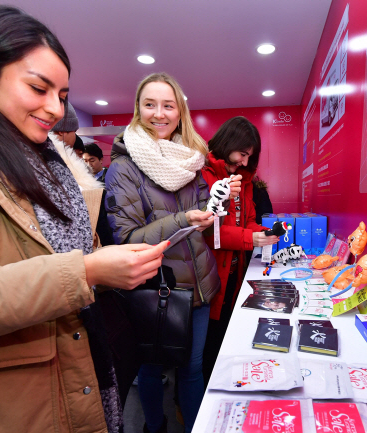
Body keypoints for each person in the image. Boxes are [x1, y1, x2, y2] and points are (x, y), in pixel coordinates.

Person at [0, 6, 168, 432]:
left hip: (76, 369)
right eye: (38, 88)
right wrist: (86, 271)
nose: (54, 108)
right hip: (1, 402)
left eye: (64, 95)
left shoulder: (52, 164)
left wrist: (102, 264)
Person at [104, 73, 233, 433]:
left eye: (168, 105)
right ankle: (154, 426)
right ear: (137, 110)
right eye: (150, 104)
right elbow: (126, 238)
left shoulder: (190, 161)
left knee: (193, 370)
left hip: (200, 287)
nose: (159, 114)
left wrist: (216, 205)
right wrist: (181, 219)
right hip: (154, 289)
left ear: (180, 112)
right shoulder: (123, 168)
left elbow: (204, 207)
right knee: (151, 369)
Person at [201, 117, 280, 383]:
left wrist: (266, 233)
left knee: (224, 338)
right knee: (205, 348)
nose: (245, 162)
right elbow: (209, 232)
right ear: (228, 143)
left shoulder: (244, 181)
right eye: (242, 154)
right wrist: (251, 239)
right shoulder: (204, 175)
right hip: (209, 274)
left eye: (250, 157)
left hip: (235, 271)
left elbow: (246, 221)